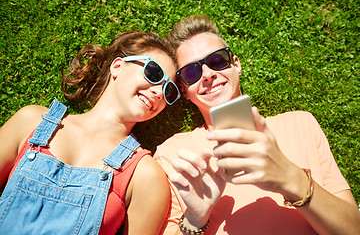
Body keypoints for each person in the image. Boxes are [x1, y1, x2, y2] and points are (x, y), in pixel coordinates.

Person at [154, 15, 360, 234]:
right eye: (191, 72)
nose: (207, 75)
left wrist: (290, 178)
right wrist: (195, 219)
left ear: (236, 64)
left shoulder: (300, 124)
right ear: (184, 90)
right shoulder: (172, 155)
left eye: (216, 61)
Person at [0, 31, 180, 234]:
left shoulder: (145, 176)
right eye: (154, 73)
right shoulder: (31, 121)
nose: (158, 92)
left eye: (169, 90)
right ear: (118, 66)